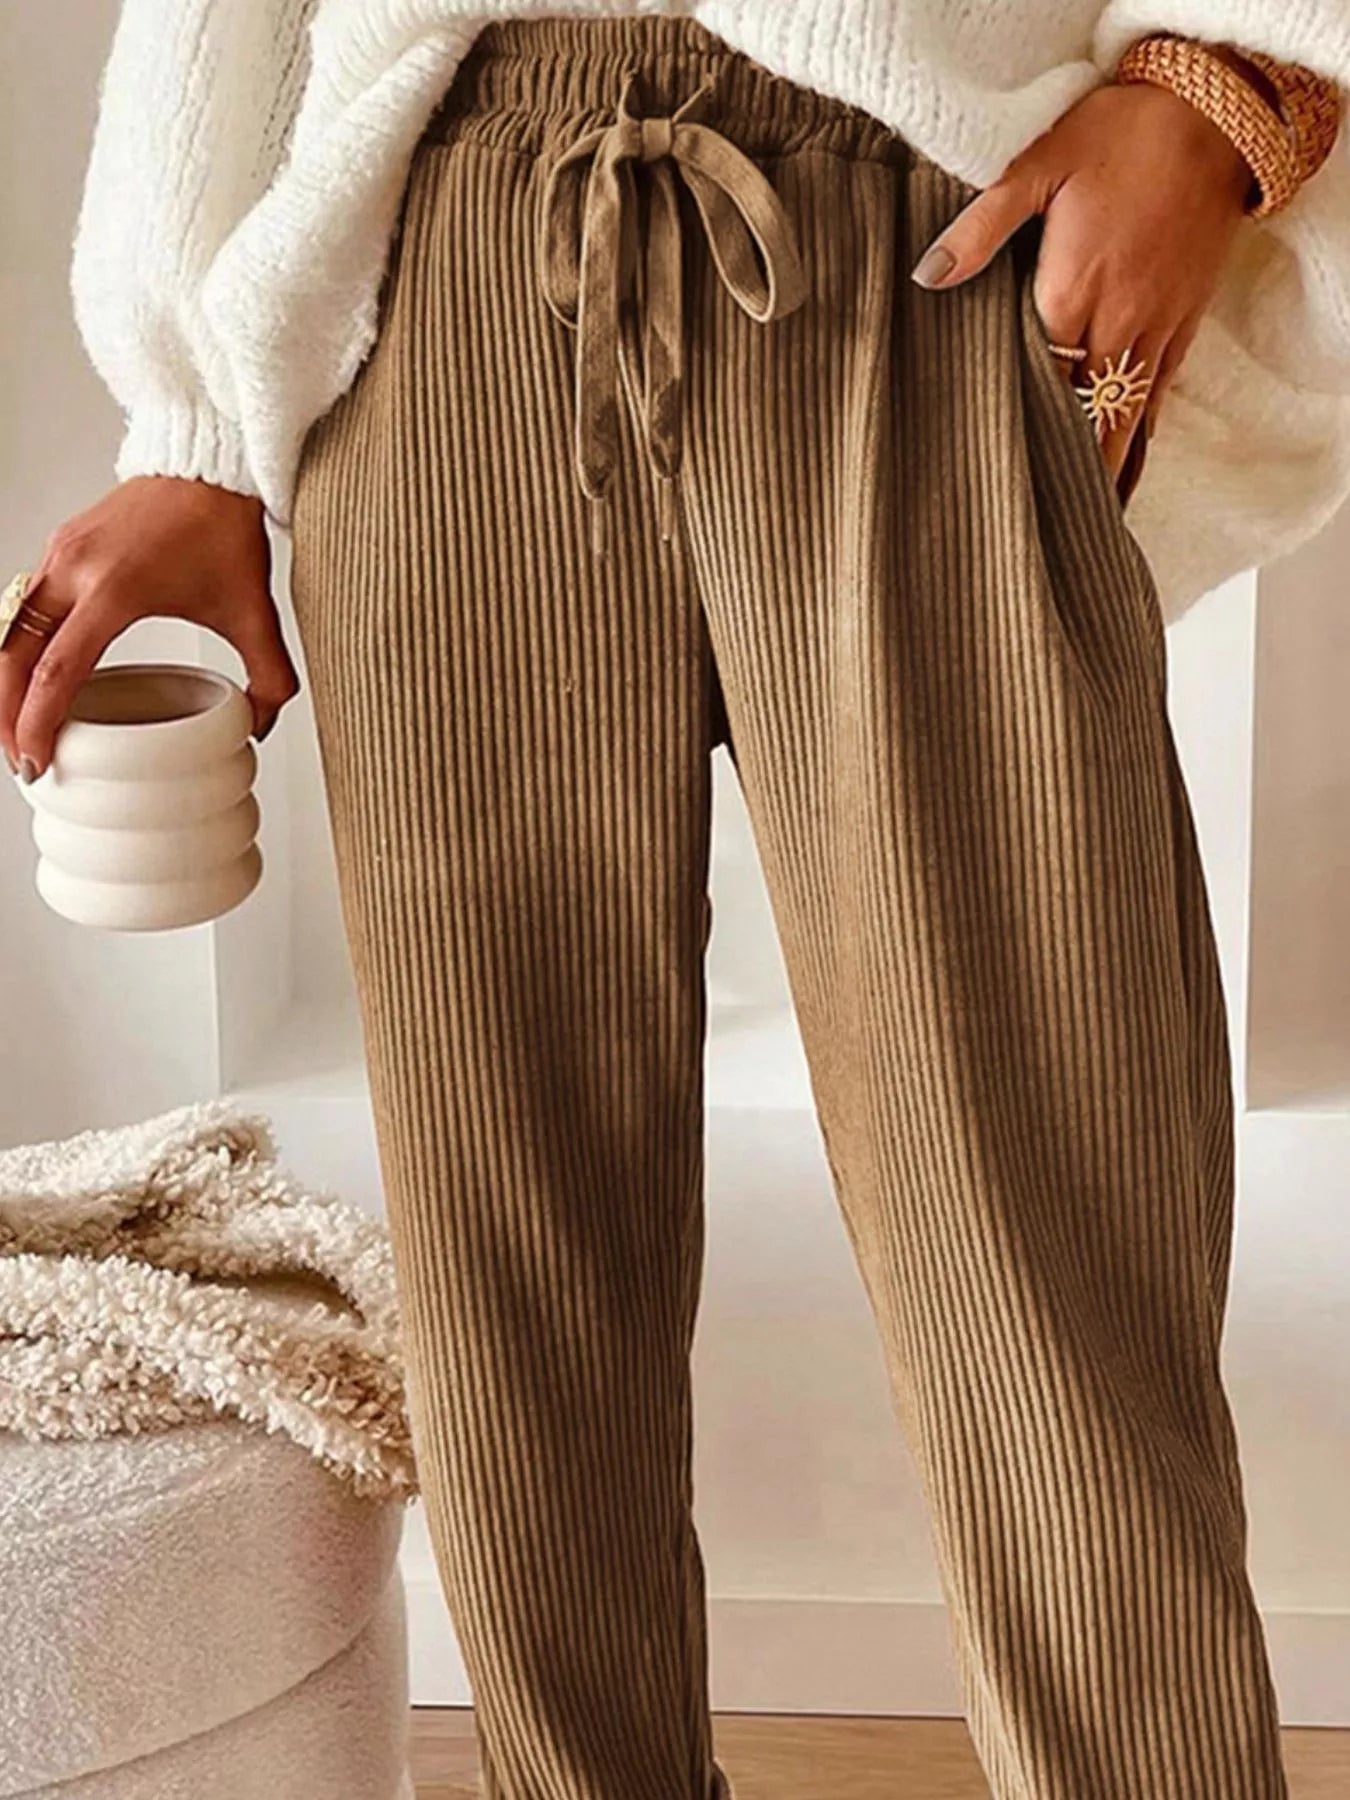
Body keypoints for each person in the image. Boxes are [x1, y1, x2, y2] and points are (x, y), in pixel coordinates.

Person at [3, 6, 1346, 1797]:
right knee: (513, 1222)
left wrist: (1217, 92)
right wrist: (189, 419)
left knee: (1045, 1205)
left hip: (921, 238)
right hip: (443, 265)